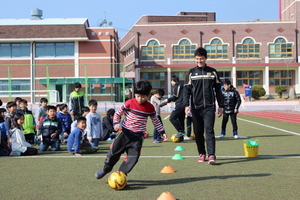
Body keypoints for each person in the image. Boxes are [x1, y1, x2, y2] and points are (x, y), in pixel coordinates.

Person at [95, 80, 166, 179]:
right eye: (138, 96)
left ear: (148, 95)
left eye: (143, 97)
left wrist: (162, 131)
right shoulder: (129, 103)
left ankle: (121, 174)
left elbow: (155, 120)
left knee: (133, 158)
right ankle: (106, 168)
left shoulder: (150, 107)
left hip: (137, 137)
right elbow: (118, 113)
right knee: (113, 153)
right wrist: (115, 123)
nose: (140, 99)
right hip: (124, 133)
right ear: (134, 94)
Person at [183, 47, 224, 165]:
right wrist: (186, 105)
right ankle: (202, 153)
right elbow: (186, 91)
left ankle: (211, 155)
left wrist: (220, 105)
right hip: (195, 107)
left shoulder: (212, 72)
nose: (199, 61)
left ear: (205, 58)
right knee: (198, 131)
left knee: (209, 130)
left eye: (201, 59)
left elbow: (218, 90)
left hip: (209, 107)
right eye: (197, 59)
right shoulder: (191, 73)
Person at [163, 75, 186, 141]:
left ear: (173, 81)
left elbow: (175, 96)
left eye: (171, 81)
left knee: (172, 118)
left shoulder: (177, 85)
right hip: (183, 105)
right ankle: (181, 138)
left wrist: (168, 100)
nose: (171, 83)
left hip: (180, 105)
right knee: (181, 121)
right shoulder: (181, 85)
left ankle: (181, 131)